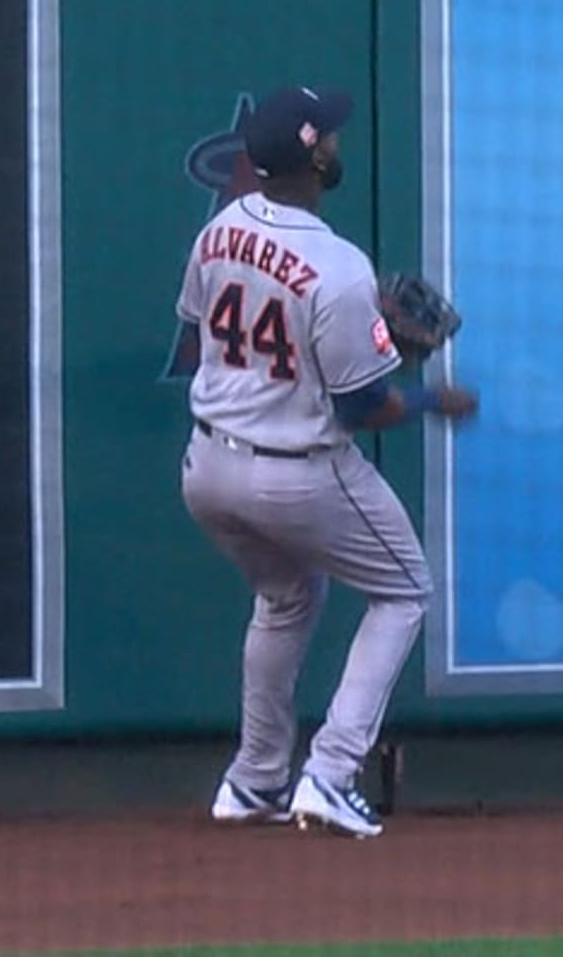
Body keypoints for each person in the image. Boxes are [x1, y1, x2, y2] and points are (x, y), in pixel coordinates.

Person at [176, 84, 475, 839]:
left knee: (286, 600)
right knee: (405, 589)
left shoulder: (218, 231)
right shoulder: (339, 268)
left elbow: (202, 332)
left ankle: (252, 780)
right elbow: (364, 410)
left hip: (209, 469)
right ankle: (332, 774)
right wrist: (432, 397)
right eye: (329, 136)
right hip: (295, 469)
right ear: (312, 157)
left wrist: (363, 336)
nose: (338, 142)